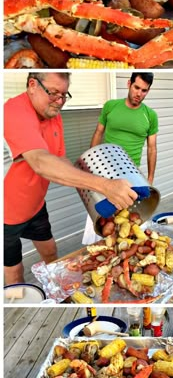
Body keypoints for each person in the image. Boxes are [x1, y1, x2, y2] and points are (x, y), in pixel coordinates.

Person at [4, 72, 137, 286]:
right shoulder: (14, 110)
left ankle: (59, 290)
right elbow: (40, 161)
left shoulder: (53, 114)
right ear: (32, 85)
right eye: (54, 93)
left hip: (35, 205)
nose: (59, 101)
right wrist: (104, 185)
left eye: (64, 95)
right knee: (14, 272)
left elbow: (60, 159)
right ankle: (14, 305)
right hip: (6, 213)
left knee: (51, 253)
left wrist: (99, 186)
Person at [83, 72, 158, 244]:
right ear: (129, 84)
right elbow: (99, 132)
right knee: (100, 219)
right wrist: (90, 165)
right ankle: (94, 248)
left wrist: (150, 178)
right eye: (136, 87)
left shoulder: (150, 115)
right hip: (104, 171)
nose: (139, 93)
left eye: (144, 90)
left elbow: (152, 148)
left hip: (131, 174)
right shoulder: (111, 106)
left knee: (129, 221)